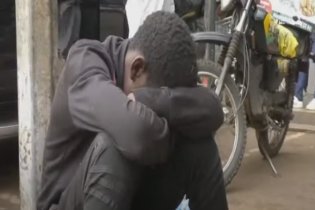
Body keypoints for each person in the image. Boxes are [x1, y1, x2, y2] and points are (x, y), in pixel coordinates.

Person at [37, 11, 227, 210]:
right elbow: (138, 133)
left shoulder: (154, 71)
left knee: (200, 146)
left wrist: (149, 100)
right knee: (116, 145)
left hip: (124, 195)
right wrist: (175, 126)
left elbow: (212, 108)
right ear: (136, 69)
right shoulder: (85, 63)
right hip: (67, 204)